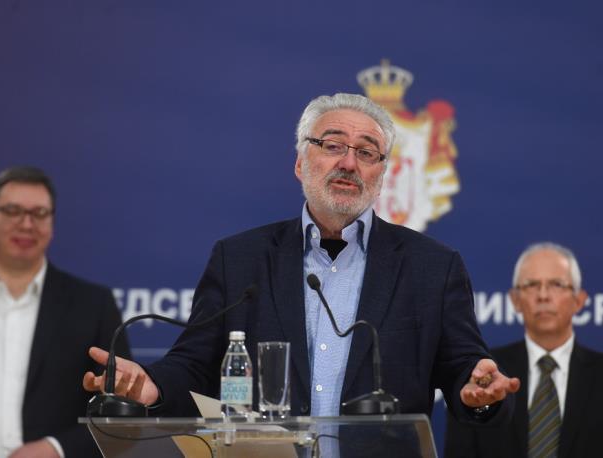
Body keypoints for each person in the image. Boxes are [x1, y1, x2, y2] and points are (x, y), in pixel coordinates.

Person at [83, 93, 519, 425]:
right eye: (333, 145)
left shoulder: (432, 267)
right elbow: (193, 365)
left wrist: (478, 389)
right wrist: (152, 386)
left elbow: (464, 369)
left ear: (381, 173)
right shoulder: (239, 259)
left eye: (367, 152)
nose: (349, 163)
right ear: (299, 163)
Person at [444, 242, 603, 458]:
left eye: (556, 284)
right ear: (515, 300)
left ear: (579, 300)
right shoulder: (482, 374)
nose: (543, 295)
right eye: (532, 285)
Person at [0, 166, 130, 458]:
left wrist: (57, 448)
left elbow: (121, 411)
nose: (26, 224)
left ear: (52, 222)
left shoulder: (93, 305)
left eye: (39, 213)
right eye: (13, 211)